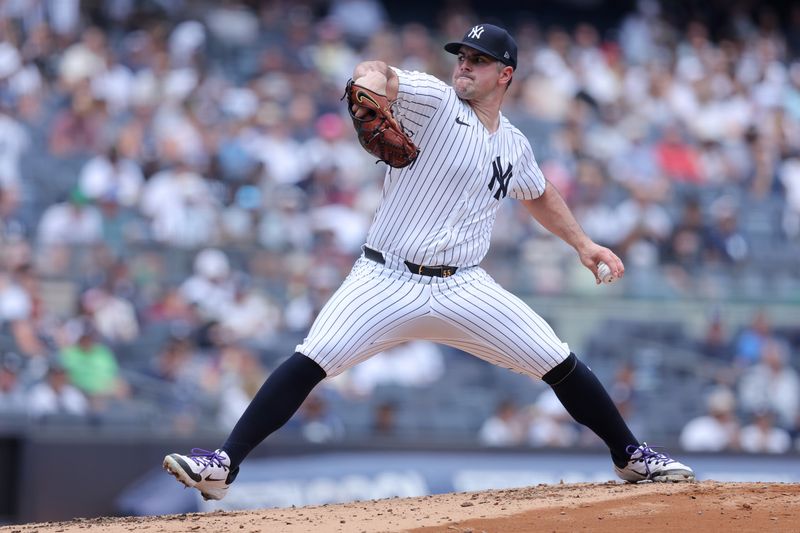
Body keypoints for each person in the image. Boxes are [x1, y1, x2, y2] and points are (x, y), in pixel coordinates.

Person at [164, 23, 694, 501]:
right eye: (461, 55)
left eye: (478, 59)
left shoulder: (513, 143)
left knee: (560, 361)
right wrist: (367, 88)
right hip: (385, 277)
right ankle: (224, 464)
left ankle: (629, 456)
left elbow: (537, 192)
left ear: (504, 75)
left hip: (464, 287)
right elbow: (379, 74)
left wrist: (583, 244)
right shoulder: (436, 102)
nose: (464, 63)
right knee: (311, 358)